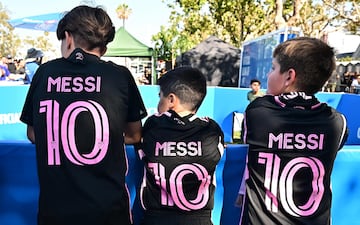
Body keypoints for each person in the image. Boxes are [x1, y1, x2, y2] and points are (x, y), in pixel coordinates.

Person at [20, 5, 147, 225]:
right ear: (104, 46)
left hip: (56, 211)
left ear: (68, 38)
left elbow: (33, 133)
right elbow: (135, 135)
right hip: (108, 210)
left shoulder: (45, 72)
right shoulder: (119, 76)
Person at [238, 37, 348, 225]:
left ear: (289, 76)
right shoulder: (337, 122)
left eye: (273, 68)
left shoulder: (257, 112)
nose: (268, 75)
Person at [137, 66, 225, 225]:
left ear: (171, 100)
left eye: (160, 97)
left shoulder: (153, 125)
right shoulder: (212, 130)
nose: (158, 103)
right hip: (200, 219)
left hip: (156, 218)